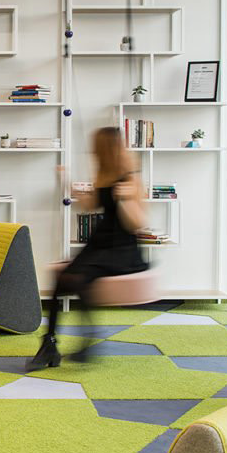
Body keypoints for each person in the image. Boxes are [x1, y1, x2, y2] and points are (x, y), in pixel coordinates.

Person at [28, 127, 150, 371]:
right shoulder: (104, 173)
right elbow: (90, 205)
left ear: (107, 149)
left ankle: (89, 339)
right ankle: (49, 343)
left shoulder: (131, 178)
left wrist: (125, 200)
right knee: (62, 279)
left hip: (121, 249)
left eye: (97, 148)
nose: (93, 152)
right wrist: (67, 182)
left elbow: (137, 223)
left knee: (77, 278)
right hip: (99, 244)